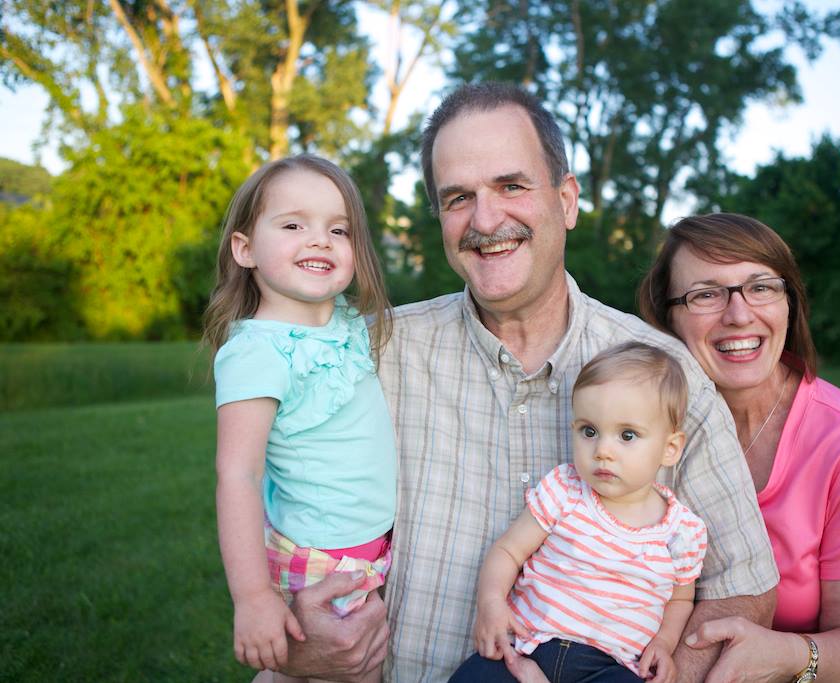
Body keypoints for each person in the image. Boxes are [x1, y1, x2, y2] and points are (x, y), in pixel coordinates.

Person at [282, 83, 778, 683]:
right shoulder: (366, 356)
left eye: (512, 186)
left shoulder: (667, 375)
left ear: (566, 201)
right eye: (459, 197)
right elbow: (284, 528)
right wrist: (297, 637)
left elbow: (741, 588)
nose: (486, 219)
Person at [637, 212, 840, 682]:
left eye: (761, 287)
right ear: (667, 316)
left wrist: (793, 656)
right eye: (706, 294)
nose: (739, 314)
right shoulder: (633, 426)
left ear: (789, 303)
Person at [203, 154, 396, 683]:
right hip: (319, 557)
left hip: (364, 548)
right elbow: (237, 475)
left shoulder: (345, 323)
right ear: (245, 248)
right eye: (293, 226)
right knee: (347, 670)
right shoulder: (257, 352)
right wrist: (253, 597)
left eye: (339, 229)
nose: (320, 241)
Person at [450, 342, 707, 683]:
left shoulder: (682, 532)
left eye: (627, 435)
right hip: (528, 646)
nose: (602, 451)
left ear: (670, 448)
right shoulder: (565, 490)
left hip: (608, 667)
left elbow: (680, 600)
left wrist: (664, 643)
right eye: (589, 431)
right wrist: (492, 602)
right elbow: (508, 551)